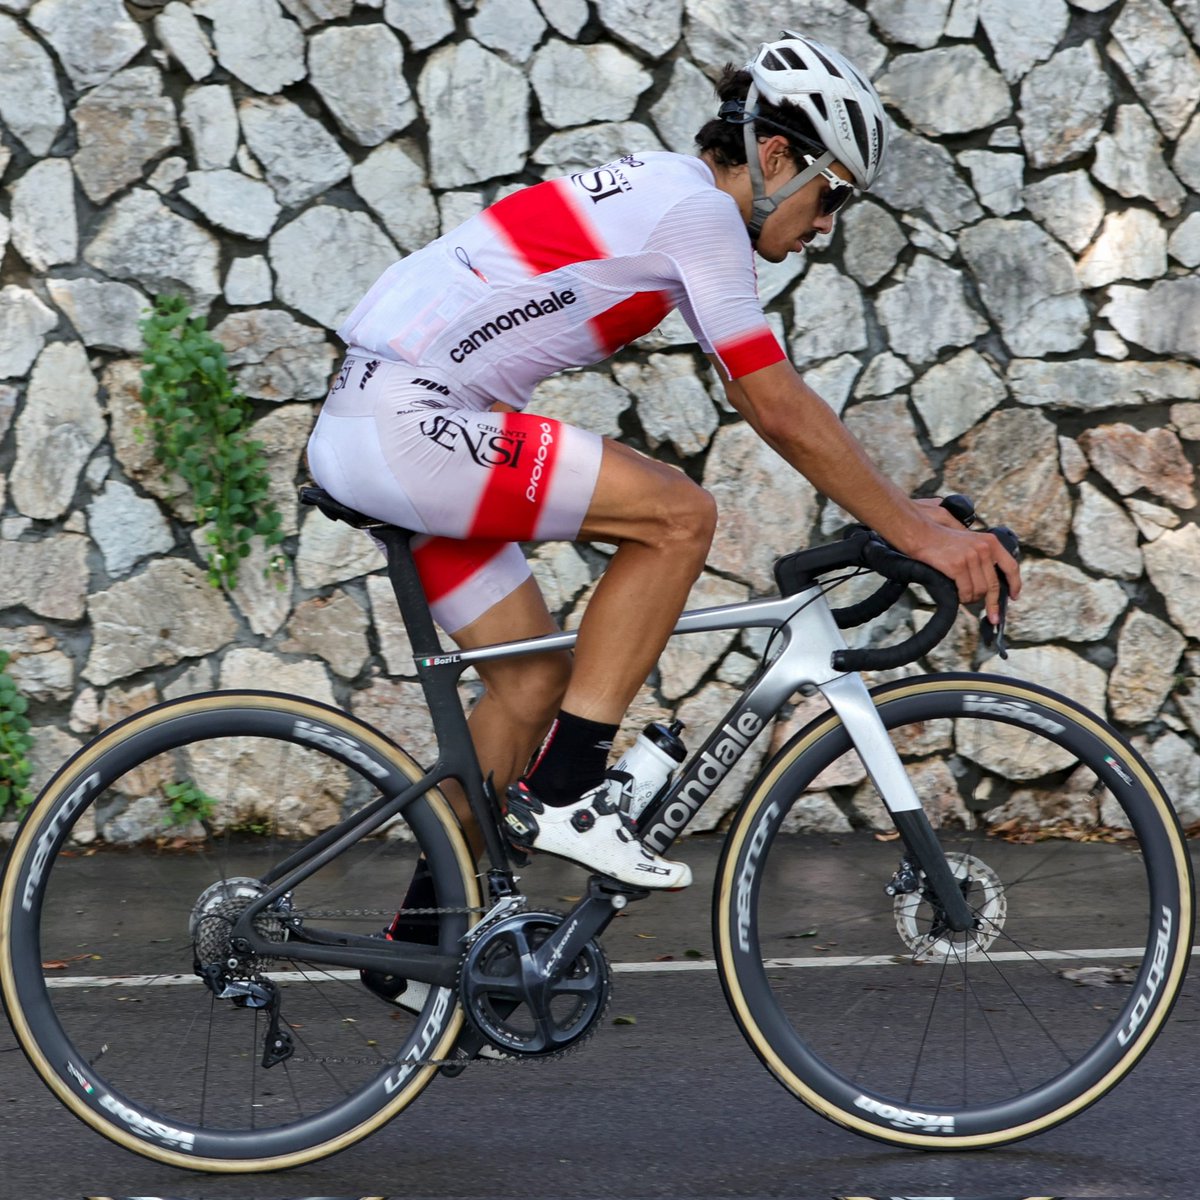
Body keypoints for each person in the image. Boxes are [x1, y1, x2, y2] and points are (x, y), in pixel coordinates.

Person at [306, 30, 1021, 952]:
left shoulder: (667, 193)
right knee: (679, 514)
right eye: (829, 195)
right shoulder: (702, 217)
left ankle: (421, 946)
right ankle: (566, 793)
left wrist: (902, 512)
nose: (821, 228)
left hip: (386, 419)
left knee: (529, 683)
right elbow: (773, 402)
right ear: (775, 157)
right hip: (411, 424)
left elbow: (776, 397)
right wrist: (917, 538)